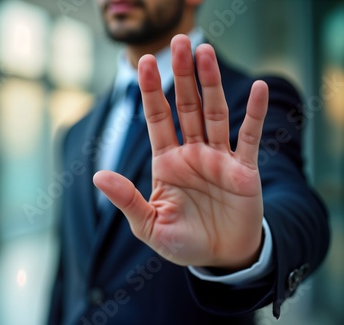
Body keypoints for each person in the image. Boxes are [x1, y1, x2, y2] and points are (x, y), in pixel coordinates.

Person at [48, 0, 330, 324]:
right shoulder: (76, 132)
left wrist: (245, 250)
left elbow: (297, 206)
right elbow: (66, 276)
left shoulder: (249, 102)